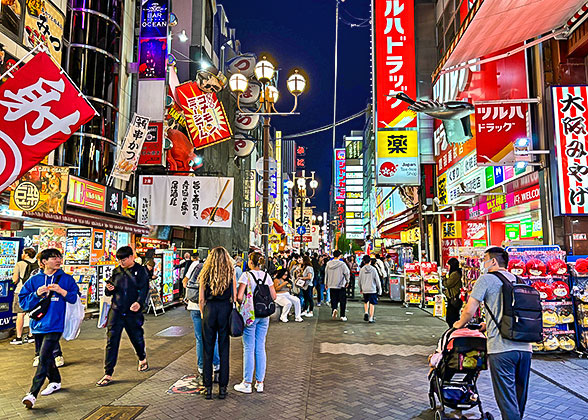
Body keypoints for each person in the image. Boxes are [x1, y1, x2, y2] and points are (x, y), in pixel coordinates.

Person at [453, 247, 532, 420]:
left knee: (506, 399)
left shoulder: (486, 279)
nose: (483, 263)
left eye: (485, 259)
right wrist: (486, 324)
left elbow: (469, 309)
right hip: (525, 347)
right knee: (519, 397)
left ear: (493, 261)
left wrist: (458, 324)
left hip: (501, 348)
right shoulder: (519, 280)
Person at [18, 248, 80, 409]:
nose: (58, 260)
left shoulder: (66, 279)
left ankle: (32, 394)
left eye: (59, 257)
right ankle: (55, 381)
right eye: (54, 257)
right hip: (38, 325)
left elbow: (74, 297)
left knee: (43, 357)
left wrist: (62, 291)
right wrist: (36, 294)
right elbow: (23, 302)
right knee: (46, 357)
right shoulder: (34, 280)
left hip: (56, 324)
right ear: (44, 261)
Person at [96, 246, 149, 387]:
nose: (121, 262)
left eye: (124, 259)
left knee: (136, 337)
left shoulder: (141, 271)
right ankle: (108, 373)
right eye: (119, 260)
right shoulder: (116, 271)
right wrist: (109, 289)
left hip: (132, 312)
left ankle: (142, 357)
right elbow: (109, 292)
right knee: (111, 341)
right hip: (116, 310)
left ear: (132, 257)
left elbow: (144, 289)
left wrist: (139, 303)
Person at [234, 252, 277, 394]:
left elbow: (239, 297)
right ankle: (260, 383)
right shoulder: (267, 276)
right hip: (264, 315)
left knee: (248, 348)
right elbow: (274, 296)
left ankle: (247, 383)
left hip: (250, 315)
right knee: (260, 347)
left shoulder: (246, 276)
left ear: (250, 262)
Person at [199, 247, 237, 400]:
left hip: (210, 309)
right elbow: (234, 296)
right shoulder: (230, 272)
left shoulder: (205, 273)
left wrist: (203, 313)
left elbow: (201, 298)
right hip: (225, 310)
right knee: (224, 348)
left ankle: (207, 388)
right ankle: (222, 388)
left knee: (207, 348)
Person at [184, 253, 220, 384]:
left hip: (195, 307)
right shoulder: (217, 269)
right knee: (213, 338)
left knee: (200, 339)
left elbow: (185, 282)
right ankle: (216, 368)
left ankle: (202, 370)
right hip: (211, 308)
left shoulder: (196, 265)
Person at [11, 247, 38, 345]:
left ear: (26, 254)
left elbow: (15, 279)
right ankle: (31, 336)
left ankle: (18, 338)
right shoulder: (38, 264)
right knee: (32, 314)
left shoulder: (20, 264)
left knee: (20, 314)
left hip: (21, 291)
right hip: (34, 292)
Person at [325, 250, 350, 321]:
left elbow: (326, 274)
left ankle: (334, 309)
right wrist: (347, 281)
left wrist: (326, 283)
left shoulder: (328, 264)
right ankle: (342, 315)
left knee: (333, 299)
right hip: (341, 285)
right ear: (339, 256)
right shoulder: (342, 264)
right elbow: (347, 273)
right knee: (342, 300)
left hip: (332, 284)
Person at [358, 255, 382, 323]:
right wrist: (380, 290)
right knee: (372, 303)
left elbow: (359, 280)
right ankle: (371, 318)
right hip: (372, 289)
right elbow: (377, 280)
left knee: (366, 301)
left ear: (363, 261)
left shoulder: (362, 269)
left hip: (365, 289)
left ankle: (366, 312)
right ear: (370, 261)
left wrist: (361, 288)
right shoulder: (373, 269)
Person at [443, 257, 463, 328]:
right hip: (451, 298)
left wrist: (444, 278)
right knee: (451, 317)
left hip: (454, 298)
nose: (447, 267)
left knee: (451, 318)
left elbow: (448, 284)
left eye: (448, 265)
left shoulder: (455, 274)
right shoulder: (453, 273)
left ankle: (454, 331)